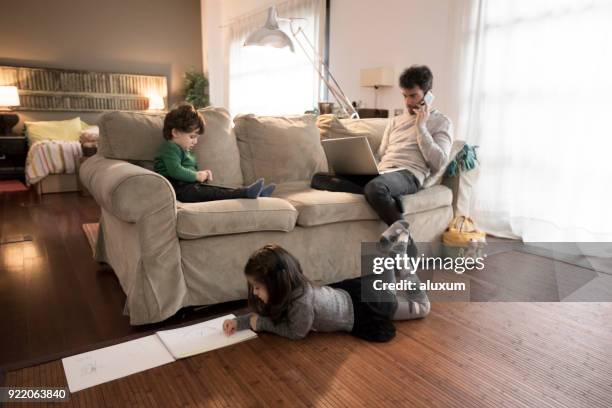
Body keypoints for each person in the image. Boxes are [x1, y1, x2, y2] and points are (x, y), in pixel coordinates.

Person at [222, 220, 430, 342]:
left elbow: (296, 332)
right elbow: (266, 314)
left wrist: (261, 324)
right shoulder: (290, 289)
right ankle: (394, 253)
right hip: (351, 296)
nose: (255, 292)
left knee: (422, 307)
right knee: (386, 282)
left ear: (277, 284)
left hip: (366, 309)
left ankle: (402, 261)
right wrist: (240, 322)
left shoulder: (301, 302)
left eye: (257, 287)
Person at [311, 65, 453, 225]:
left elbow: (439, 163)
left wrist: (421, 127)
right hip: (383, 174)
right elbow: (381, 153)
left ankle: (404, 240)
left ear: (428, 95)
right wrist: (367, 168)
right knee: (319, 179)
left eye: (413, 96)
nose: (408, 102)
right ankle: (388, 198)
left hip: (408, 175)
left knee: (375, 188)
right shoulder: (395, 121)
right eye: (404, 96)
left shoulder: (441, 122)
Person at [154, 104, 275, 203]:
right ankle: (246, 193)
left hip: (187, 188)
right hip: (177, 190)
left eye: (196, 138)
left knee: (218, 189)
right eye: (192, 137)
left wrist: (202, 176)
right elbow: (175, 170)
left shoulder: (186, 152)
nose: (195, 141)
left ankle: (255, 194)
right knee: (214, 192)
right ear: (175, 132)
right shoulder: (170, 147)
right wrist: (197, 176)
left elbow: (189, 172)